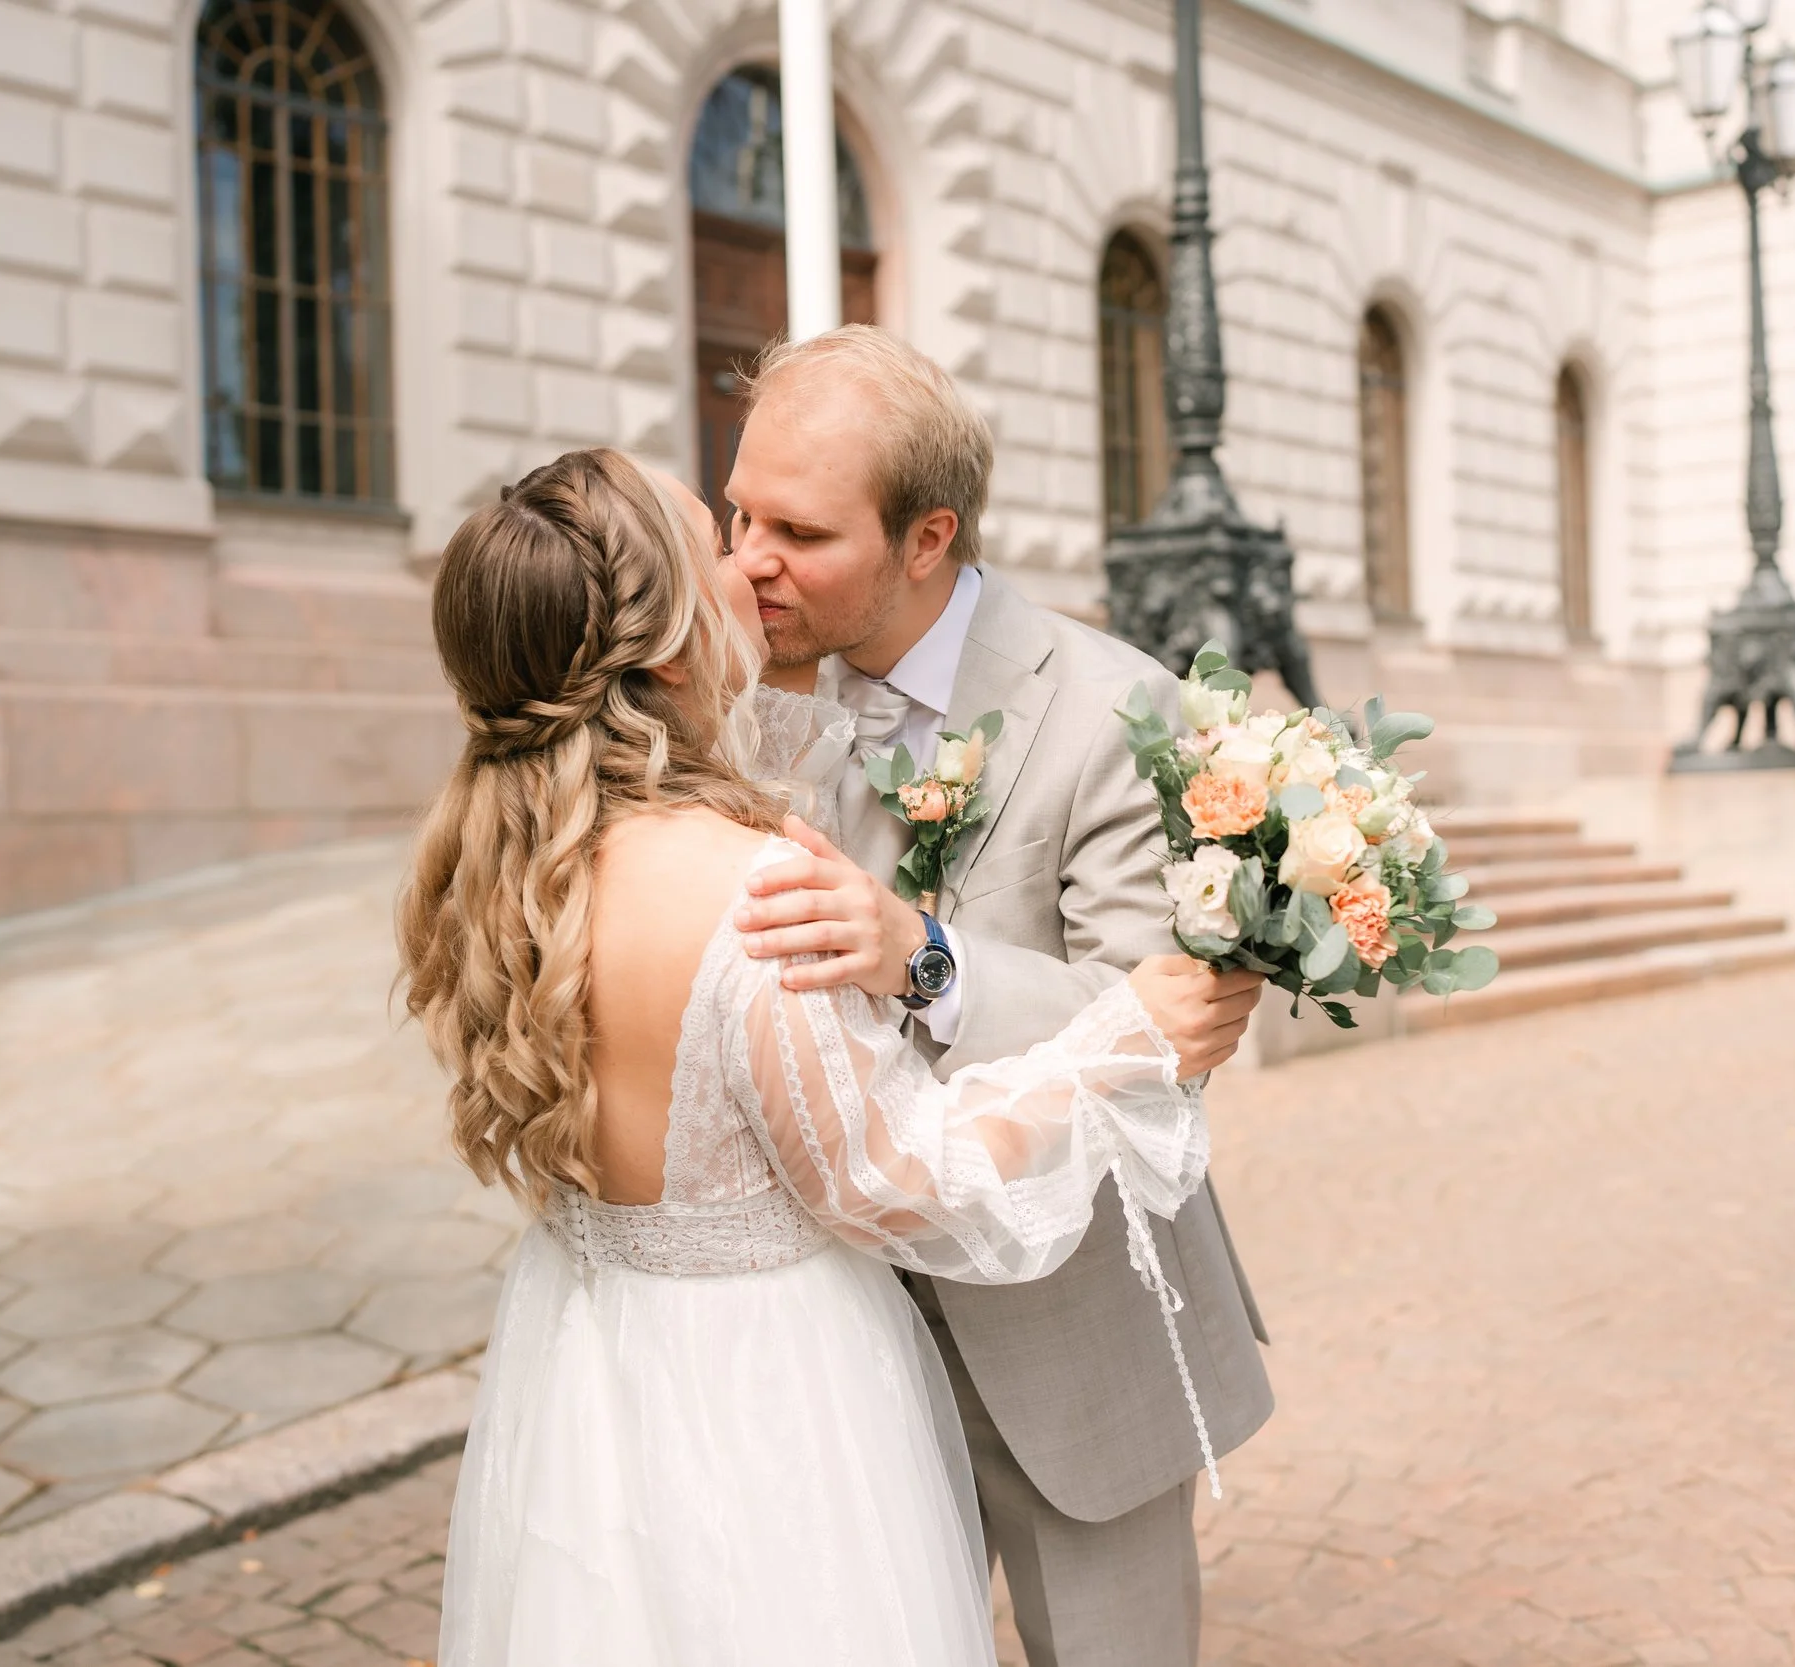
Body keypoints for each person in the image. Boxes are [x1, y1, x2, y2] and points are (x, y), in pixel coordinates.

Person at [401, 447, 1265, 1666]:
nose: (748, 564)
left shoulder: (503, 866)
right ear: (657, 642)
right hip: (776, 1396)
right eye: (718, 537)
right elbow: (891, 1177)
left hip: (599, 1376)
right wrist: (1126, 1043)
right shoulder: (749, 886)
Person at [724, 326, 1276, 1667]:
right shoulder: (734, 688)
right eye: (738, 509)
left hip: (1064, 1324)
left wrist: (921, 952)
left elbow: (1158, 1035)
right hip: (836, 1326)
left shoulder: (1114, 709)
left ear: (928, 540)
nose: (747, 558)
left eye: (798, 528)